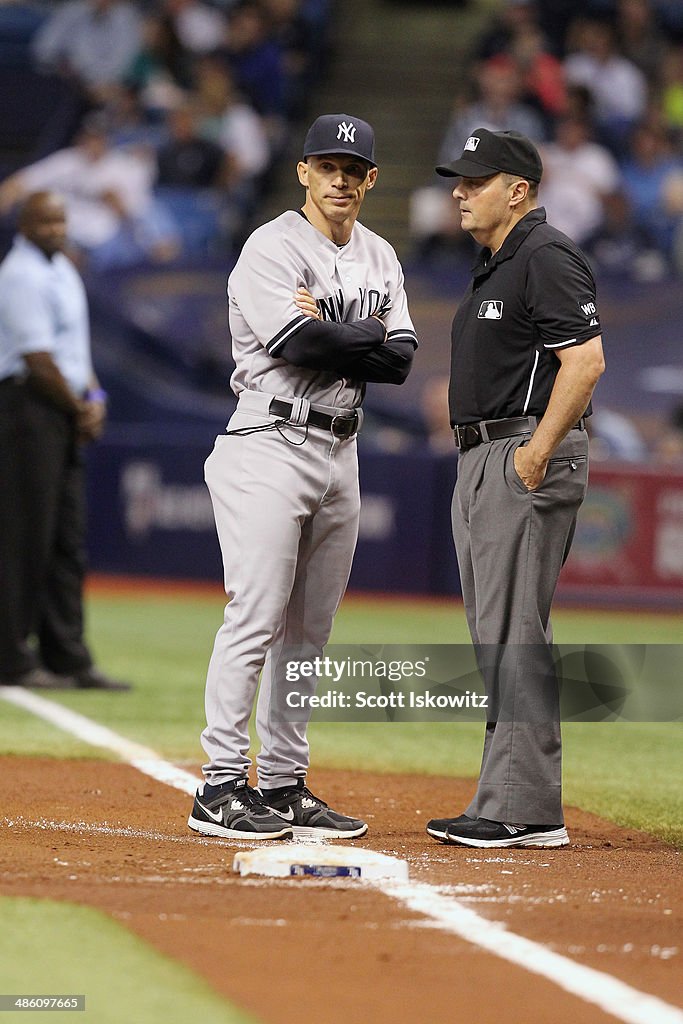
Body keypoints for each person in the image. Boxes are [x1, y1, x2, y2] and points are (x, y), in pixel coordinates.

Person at [188, 113, 418, 841]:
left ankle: (283, 783)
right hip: (269, 437)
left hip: (339, 449)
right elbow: (298, 339)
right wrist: (362, 336)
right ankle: (220, 784)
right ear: (303, 172)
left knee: (308, 632)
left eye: (352, 168)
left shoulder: (381, 254)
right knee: (255, 615)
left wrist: (342, 334)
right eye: (327, 165)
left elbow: (402, 359)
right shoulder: (271, 245)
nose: (340, 178)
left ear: (371, 178)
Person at [426, 128, 604, 849]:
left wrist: (535, 453)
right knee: (498, 631)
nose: (459, 191)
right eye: (457, 180)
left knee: (509, 632)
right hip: (485, 453)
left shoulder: (545, 254)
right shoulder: (496, 262)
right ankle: (516, 801)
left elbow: (585, 362)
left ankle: (520, 808)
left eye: (475, 180)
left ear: (518, 190)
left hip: (518, 451)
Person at [0, 191, 130, 691]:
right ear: (25, 224)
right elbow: (37, 360)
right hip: (28, 409)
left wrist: (94, 395)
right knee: (23, 539)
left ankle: (66, 656)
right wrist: (79, 408)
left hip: (64, 411)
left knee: (66, 540)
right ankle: (11, 657)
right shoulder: (20, 274)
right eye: (46, 222)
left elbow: (76, 352)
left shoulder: (63, 269)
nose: (56, 229)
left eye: (60, 221)